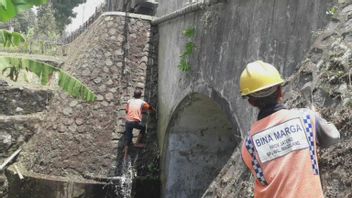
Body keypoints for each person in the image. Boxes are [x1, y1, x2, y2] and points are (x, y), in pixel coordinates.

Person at [240, 60, 340, 198]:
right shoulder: (306, 119)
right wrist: (317, 118)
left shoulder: (249, 145)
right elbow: (332, 137)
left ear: (251, 102)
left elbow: (264, 175)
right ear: (281, 92)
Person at [124, 89, 155, 160]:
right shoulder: (142, 102)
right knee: (143, 128)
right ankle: (137, 143)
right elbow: (150, 108)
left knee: (128, 137)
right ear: (140, 96)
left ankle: (125, 155)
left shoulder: (129, 101)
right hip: (135, 122)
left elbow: (126, 111)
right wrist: (154, 111)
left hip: (128, 121)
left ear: (134, 95)